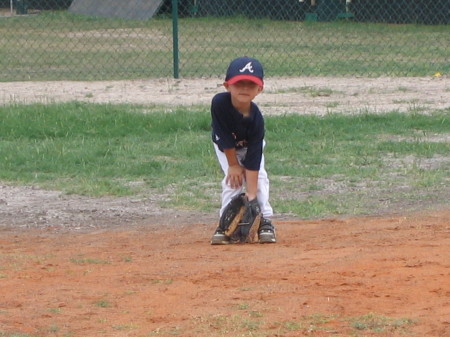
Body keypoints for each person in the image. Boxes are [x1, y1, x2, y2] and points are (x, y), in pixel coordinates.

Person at [210, 56, 276, 244]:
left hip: (250, 147)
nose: (244, 88)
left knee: (260, 179)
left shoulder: (256, 120)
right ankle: (224, 225)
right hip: (225, 147)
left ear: (259, 89)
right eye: (239, 83)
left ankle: (264, 220)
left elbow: (253, 159)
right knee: (233, 181)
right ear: (227, 85)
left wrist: (252, 196)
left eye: (250, 84)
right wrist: (233, 165)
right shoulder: (219, 103)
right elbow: (223, 136)